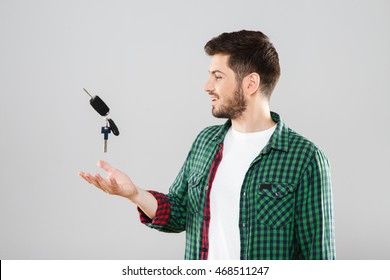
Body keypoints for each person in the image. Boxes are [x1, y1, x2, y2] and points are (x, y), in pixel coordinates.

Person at [79, 30, 336, 260]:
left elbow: (319, 258)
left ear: (251, 83)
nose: (207, 86)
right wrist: (135, 194)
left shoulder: (305, 159)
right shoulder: (205, 142)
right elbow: (179, 213)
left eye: (218, 77)